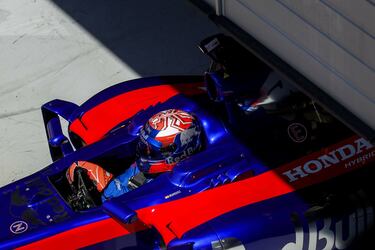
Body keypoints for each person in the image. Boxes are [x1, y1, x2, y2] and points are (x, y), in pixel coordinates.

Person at [66, 109, 203, 202]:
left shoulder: (172, 186)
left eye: (151, 150)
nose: (145, 152)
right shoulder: (148, 166)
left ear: (176, 152)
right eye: (144, 146)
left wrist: (103, 188)